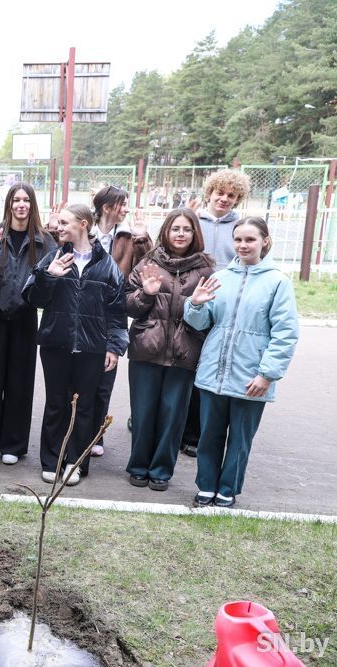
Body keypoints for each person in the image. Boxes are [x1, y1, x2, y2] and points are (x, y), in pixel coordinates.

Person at [184, 217, 298, 508]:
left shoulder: (277, 282)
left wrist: (266, 374)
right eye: (238, 239)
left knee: (240, 438)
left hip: (252, 377)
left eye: (250, 239)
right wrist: (195, 304)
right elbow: (200, 323)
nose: (243, 245)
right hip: (213, 372)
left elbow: (285, 333)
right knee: (209, 435)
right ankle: (206, 485)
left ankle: (227, 488)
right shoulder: (221, 277)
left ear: (264, 242)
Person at [22, 203, 127, 486]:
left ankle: (75, 462)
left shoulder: (107, 266)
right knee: (56, 403)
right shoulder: (53, 258)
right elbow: (32, 298)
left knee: (84, 407)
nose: (58, 227)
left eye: (64, 223)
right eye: (59, 223)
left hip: (92, 349)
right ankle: (51, 461)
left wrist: (114, 347)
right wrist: (49, 277)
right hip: (56, 345)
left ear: (83, 224)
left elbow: (117, 311)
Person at [124, 208, 214, 491]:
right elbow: (128, 305)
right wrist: (147, 294)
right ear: (166, 231)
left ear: (195, 233)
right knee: (143, 413)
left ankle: (161, 470)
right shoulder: (148, 263)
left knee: (173, 416)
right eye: (176, 228)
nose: (181, 234)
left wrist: (197, 304)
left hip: (183, 353)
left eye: (187, 229)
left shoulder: (205, 269)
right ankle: (138, 467)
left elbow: (210, 316)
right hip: (146, 350)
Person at [0, 183, 56, 465]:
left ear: (32, 205)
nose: (21, 205)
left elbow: (49, 285)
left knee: (20, 384)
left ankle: (13, 445)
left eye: (26, 200)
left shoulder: (44, 241)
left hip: (25, 318)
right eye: (16, 200)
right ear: (8, 204)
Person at [178, 169, 252, 458]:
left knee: (206, 366)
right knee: (178, 363)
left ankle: (193, 433)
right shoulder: (193, 221)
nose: (224, 198)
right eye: (220, 192)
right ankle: (165, 422)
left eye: (231, 195)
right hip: (190, 298)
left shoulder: (240, 227)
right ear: (209, 193)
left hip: (221, 304)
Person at [88, 185, 153, 458]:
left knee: (104, 377)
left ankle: (95, 435)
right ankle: (74, 430)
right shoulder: (86, 230)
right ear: (106, 207)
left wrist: (142, 237)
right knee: (79, 377)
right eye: (122, 204)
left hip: (112, 314)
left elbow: (148, 264)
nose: (126, 209)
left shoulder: (128, 236)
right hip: (83, 311)